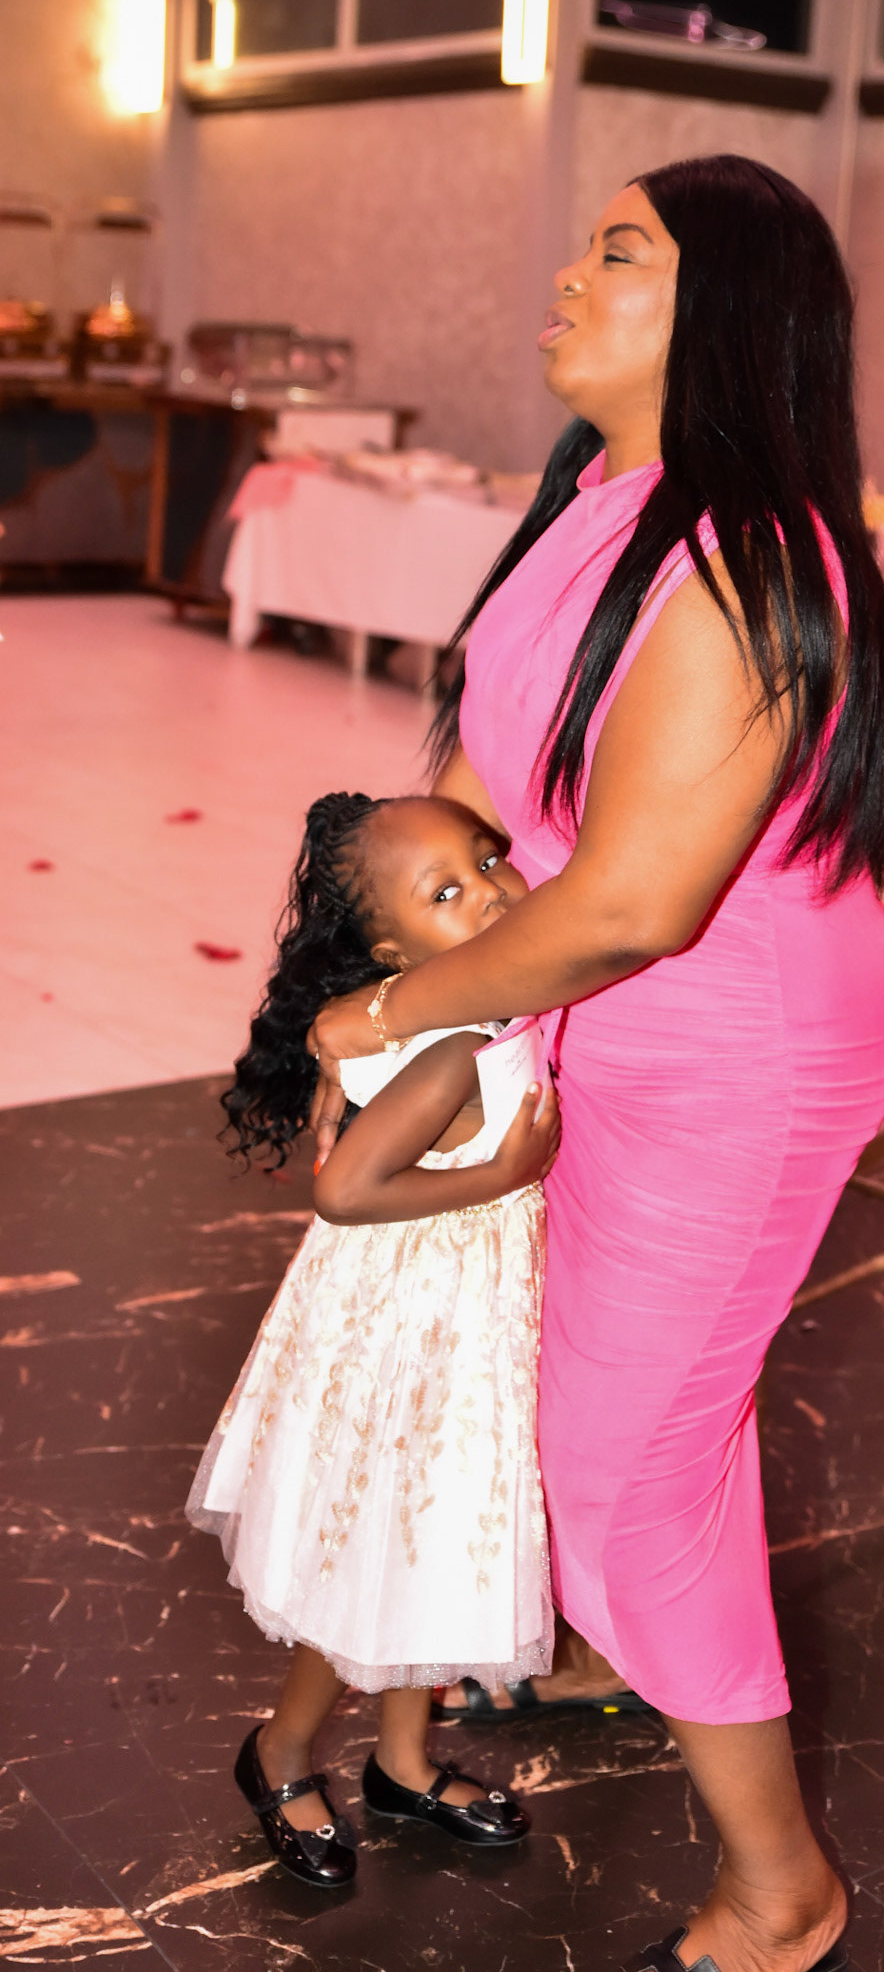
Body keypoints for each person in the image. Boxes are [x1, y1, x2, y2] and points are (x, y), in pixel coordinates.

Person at [308, 155, 884, 1972]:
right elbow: (488, 771)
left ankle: (780, 1891)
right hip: (596, 1020)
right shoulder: (602, 498)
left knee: (629, 1463)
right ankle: (612, 1639)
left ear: (724, 308)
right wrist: (379, 972)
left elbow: (636, 902)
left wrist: (400, 1016)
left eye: (619, 252)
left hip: (735, 1057)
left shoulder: (747, 558)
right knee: (610, 1410)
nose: (569, 276)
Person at [187, 792, 559, 1888]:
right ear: (395, 954)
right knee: (373, 1562)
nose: (488, 891)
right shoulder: (451, 1047)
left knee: (436, 1549)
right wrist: (505, 1173)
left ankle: (402, 1762)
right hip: (414, 1329)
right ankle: (280, 1748)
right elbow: (345, 1190)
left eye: (486, 860)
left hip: (466, 1316)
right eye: (445, 893)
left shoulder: (492, 1001)